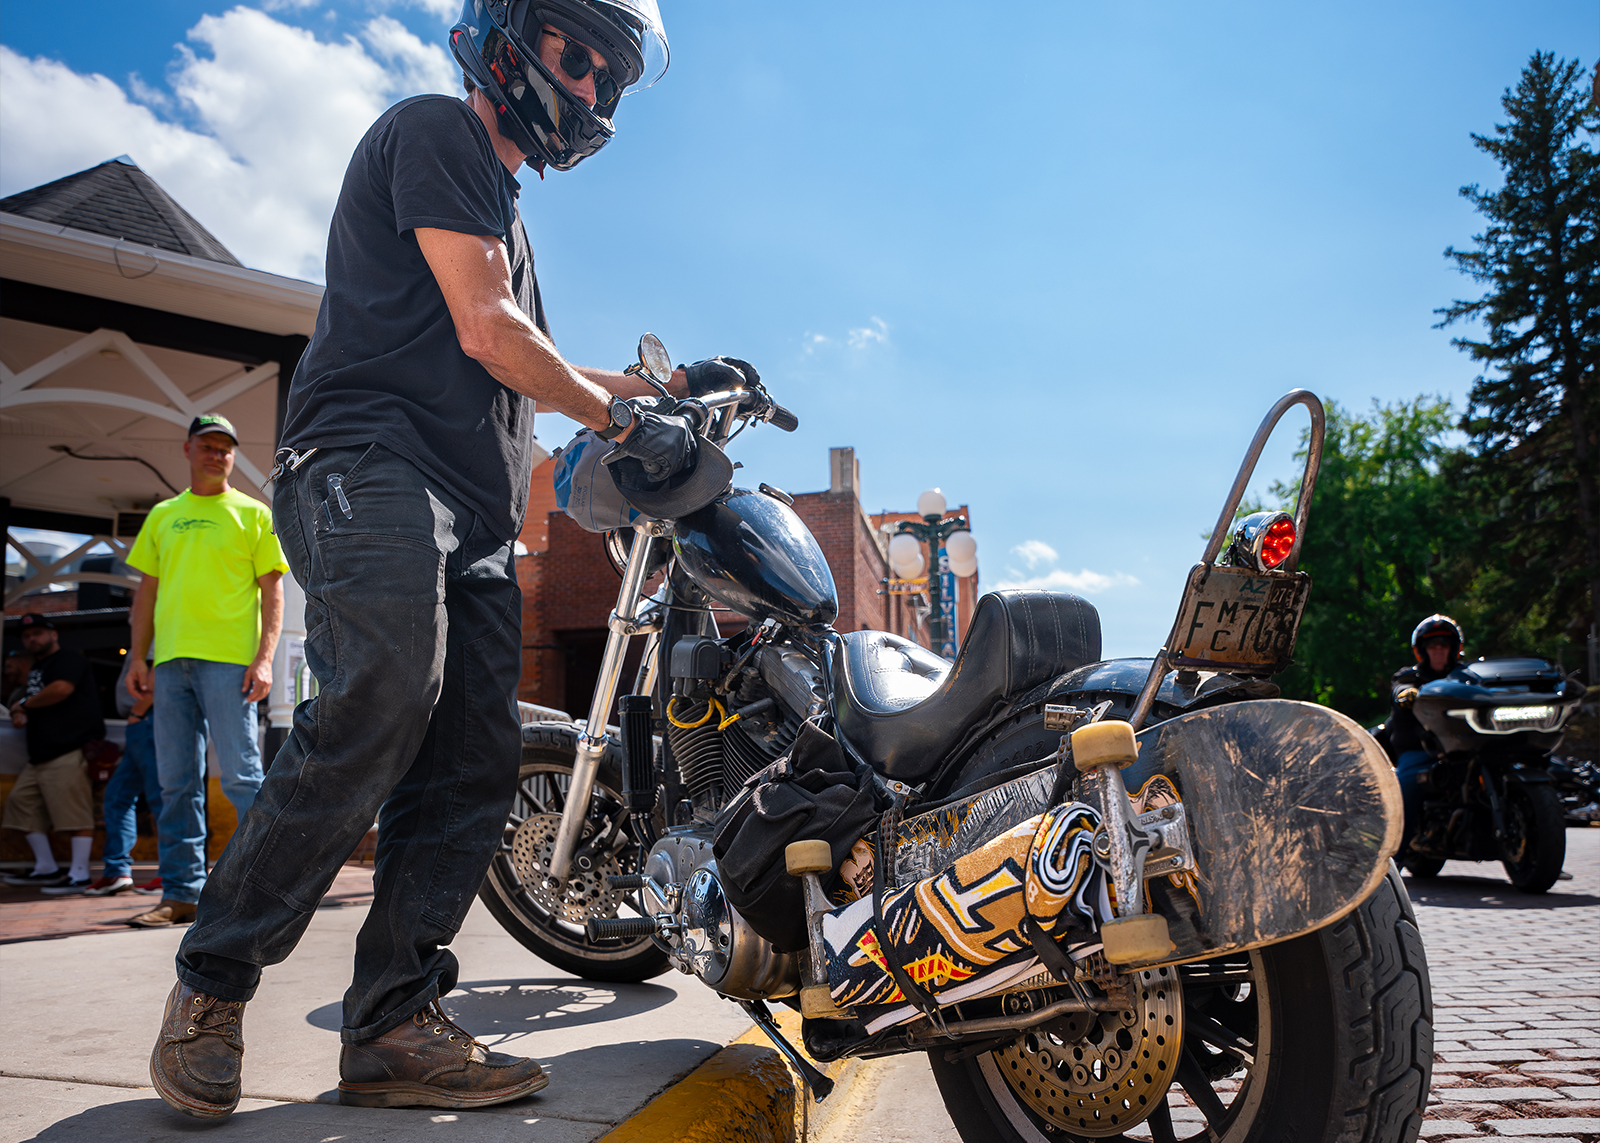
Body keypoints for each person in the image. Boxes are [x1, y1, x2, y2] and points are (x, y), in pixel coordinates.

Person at [149, 0, 752, 1122]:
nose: (589, 87)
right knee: (384, 697)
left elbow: (539, 358)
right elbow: (490, 333)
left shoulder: (505, 218)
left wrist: (668, 393)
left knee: (473, 760)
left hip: (473, 523)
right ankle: (210, 985)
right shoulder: (436, 132)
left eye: (608, 74)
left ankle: (392, 1025)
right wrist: (615, 419)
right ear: (511, 36)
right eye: (576, 55)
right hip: (368, 468)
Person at [123, 412, 287, 929]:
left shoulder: (253, 514)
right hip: (170, 664)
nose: (217, 454)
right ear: (187, 449)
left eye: (225, 447)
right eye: (207, 445)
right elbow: (146, 592)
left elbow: (273, 591)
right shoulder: (163, 514)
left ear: (232, 455)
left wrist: (264, 659)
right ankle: (182, 894)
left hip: (230, 664)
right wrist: (138, 657)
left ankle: (254, 893)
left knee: (243, 778)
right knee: (175, 784)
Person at [1, 614, 104, 891]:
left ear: (53, 634)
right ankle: (45, 867)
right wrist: (21, 708)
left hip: (68, 748)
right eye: (26, 636)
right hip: (40, 755)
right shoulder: (37, 669)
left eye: (37, 633)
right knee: (21, 804)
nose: (32, 639)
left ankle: (79, 875)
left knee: (74, 814)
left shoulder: (69, 658)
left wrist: (24, 704)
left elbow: (61, 689)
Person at [86, 653, 164, 897]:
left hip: (150, 720)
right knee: (117, 795)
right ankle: (117, 871)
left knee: (161, 798)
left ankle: (172, 873)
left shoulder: (152, 623)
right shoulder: (142, 630)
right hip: (143, 722)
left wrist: (139, 712)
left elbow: (160, 672)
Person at [1389, 614, 1464, 858]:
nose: (1439, 650)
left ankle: (1540, 851)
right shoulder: (1409, 677)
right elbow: (1399, 686)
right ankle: (1393, 860)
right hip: (1423, 751)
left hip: (1467, 749)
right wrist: (1406, 693)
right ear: (1423, 650)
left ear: (1455, 648)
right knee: (1407, 785)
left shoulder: (1469, 677)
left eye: (1444, 644)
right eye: (1433, 645)